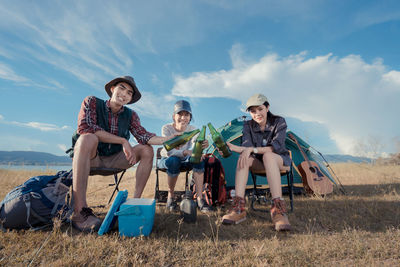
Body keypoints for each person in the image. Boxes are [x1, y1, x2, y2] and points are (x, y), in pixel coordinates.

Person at [71, 76, 175, 232]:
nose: (124, 94)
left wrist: (169, 139)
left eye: (129, 92)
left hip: (114, 160)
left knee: (146, 149)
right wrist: (123, 141)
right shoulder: (92, 101)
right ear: (112, 89)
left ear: (130, 98)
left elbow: (144, 136)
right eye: (121, 88)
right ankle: (79, 212)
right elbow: (86, 127)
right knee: (87, 138)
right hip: (91, 158)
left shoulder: (131, 115)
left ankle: (134, 204)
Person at [221, 93, 292, 231]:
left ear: (267, 107)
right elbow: (246, 147)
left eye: (260, 109)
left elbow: (275, 147)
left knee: (269, 156)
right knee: (245, 157)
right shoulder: (248, 125)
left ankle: (278, 210)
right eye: (253, 111)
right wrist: (237, 149)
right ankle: (239, 208)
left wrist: (250, 149)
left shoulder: (279, 121)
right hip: (260, 162)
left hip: (279, 160)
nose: (257, 114)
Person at [158, 100, 212, 213]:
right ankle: (171, 197)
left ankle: (200, 199)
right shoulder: (167, 128)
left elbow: (194, 147)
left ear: (190, 117)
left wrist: (201, 146)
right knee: (174, 161)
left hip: (186, 160)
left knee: (199, 160)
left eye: (186, 114)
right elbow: (170, 151)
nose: (183, 118)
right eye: (180, 114)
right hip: (167, 159)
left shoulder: (193, 130)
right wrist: (186, 152)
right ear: (173, 116)